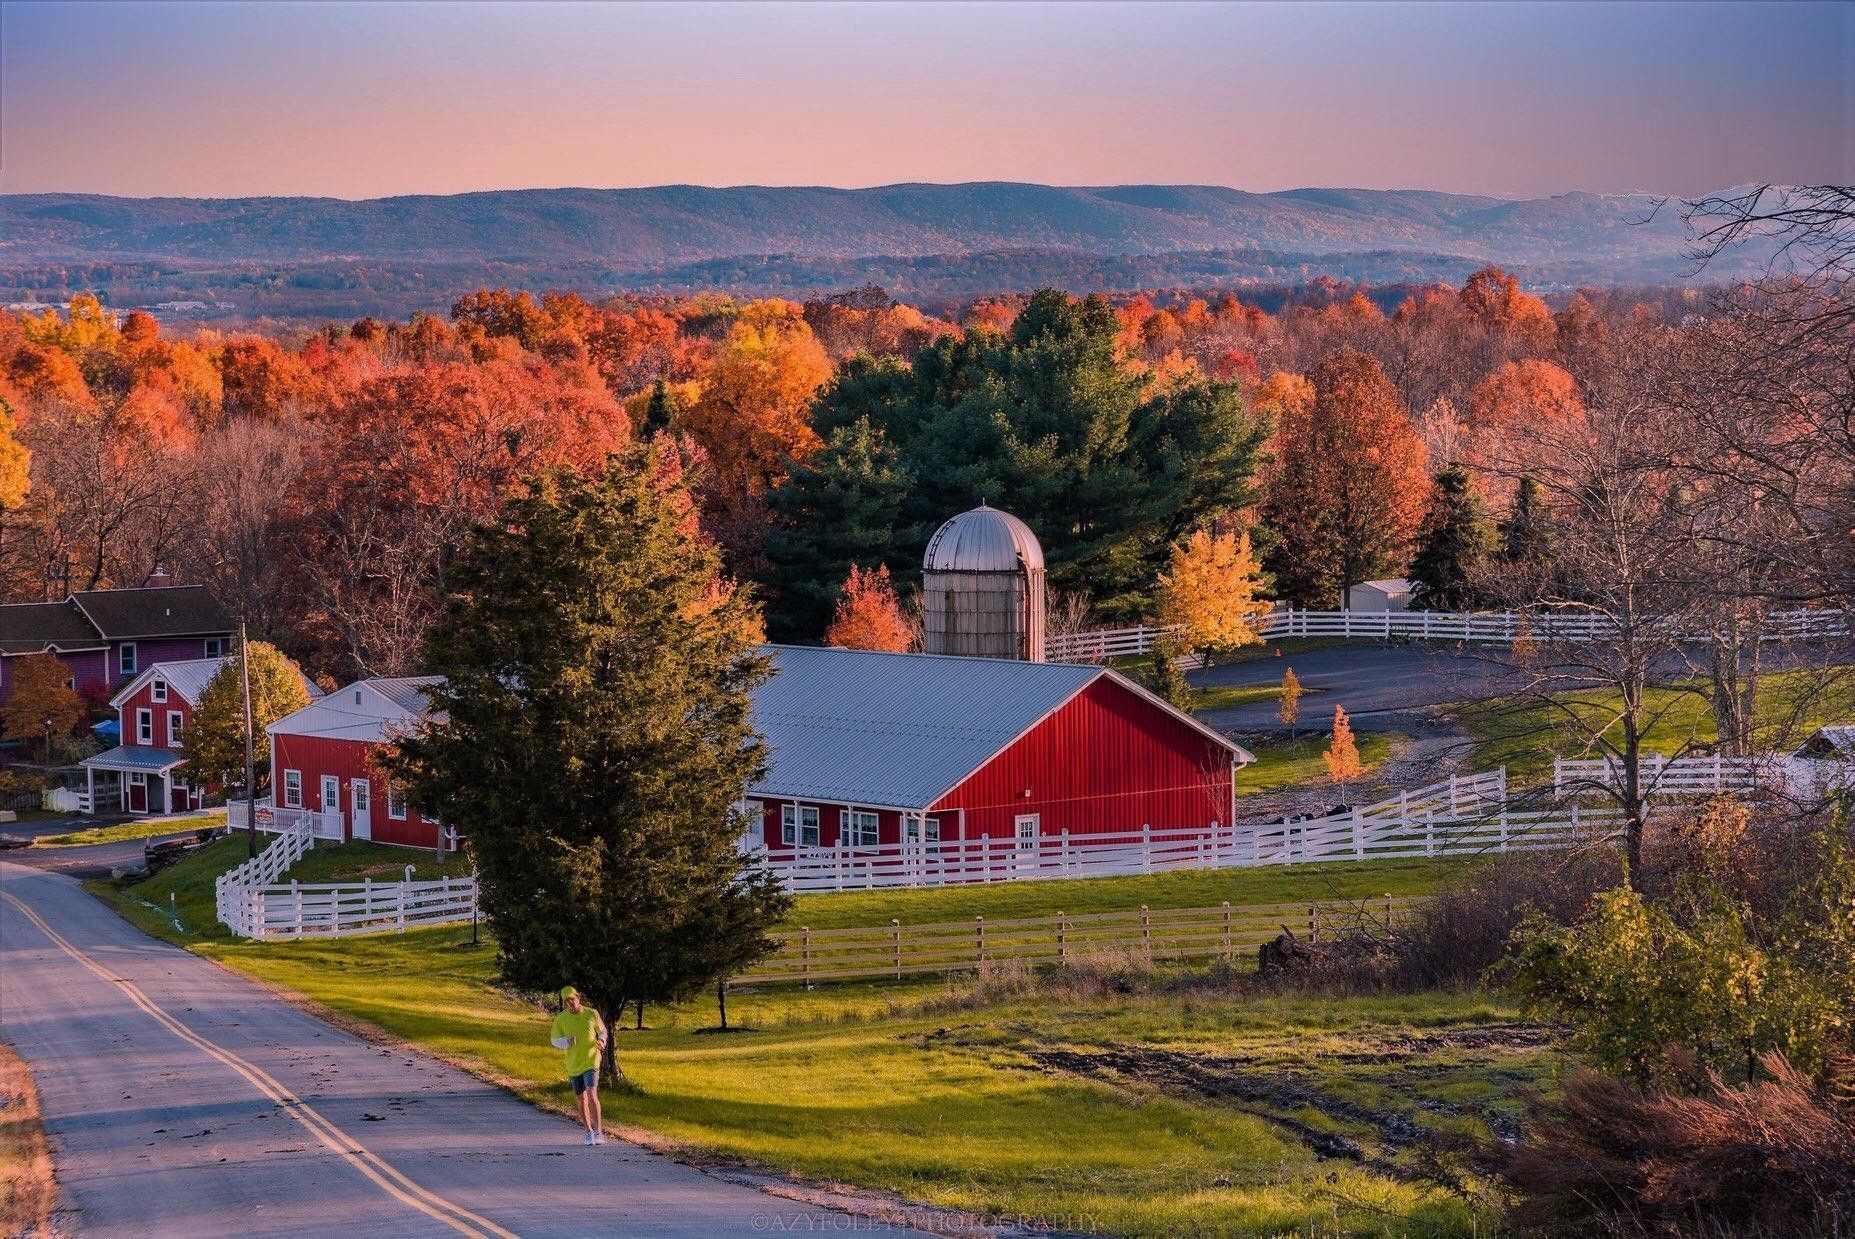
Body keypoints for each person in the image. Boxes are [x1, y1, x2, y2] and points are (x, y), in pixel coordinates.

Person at [549, 985, 607, 1145]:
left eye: (572, 999)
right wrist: (566, 1041)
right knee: (581, 1099)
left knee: (591, 1094)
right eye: (567, 1000)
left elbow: (602, 1031)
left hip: (591, 1059)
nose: (570, 1002)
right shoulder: (561, 1019)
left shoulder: (591, 1013)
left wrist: (602, 1041)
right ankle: (588, 1132)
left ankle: (598, 1132)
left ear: (578, 997)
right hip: (573, 1063)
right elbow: (554, 1040)